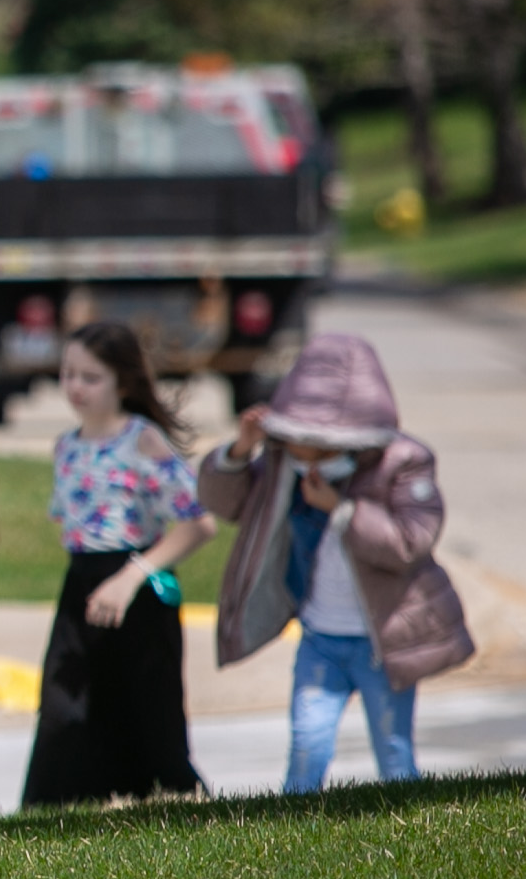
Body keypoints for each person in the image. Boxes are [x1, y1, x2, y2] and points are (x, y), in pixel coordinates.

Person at [197, 333, 473, 792]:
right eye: (299, 443)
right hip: (321, 639)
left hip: (381, 644)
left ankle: (414, 831)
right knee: (307, 744)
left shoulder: (404, 462)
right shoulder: (285, 461)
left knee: (393, 750)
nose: (307, 459)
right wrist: (240, 452)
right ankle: (292, 835)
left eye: (320, 447)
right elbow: (228, 504)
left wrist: (341, 512)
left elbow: (412, 539)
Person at [19, 323, 214, 806]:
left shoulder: (142, 440)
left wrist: (131, 578)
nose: (75, 387)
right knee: (65, 709)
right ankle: (54, 811)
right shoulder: (65, 446)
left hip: (139, 590)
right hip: (81, 586)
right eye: (68, 374)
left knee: (148, 713)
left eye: (91, 377)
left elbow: (197, 525)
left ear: (123, 383)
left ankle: (177, 805)